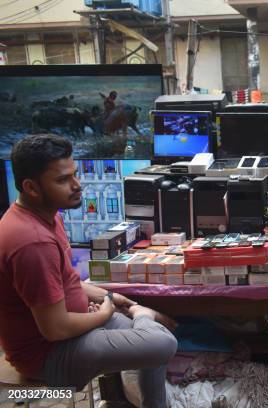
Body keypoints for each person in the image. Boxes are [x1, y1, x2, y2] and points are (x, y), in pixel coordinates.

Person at [0, 134, 178, 408]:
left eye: (74, 174)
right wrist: (108, 311)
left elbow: (63, 282)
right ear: (31, 187)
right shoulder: (31, 241)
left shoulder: (47, 215)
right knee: (162, 344)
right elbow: (56, 329)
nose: (77, 185)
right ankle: (145, 316)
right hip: (51, 354)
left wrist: (110, 297)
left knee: (152, 343)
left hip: (74, 327)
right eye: (63, 180)